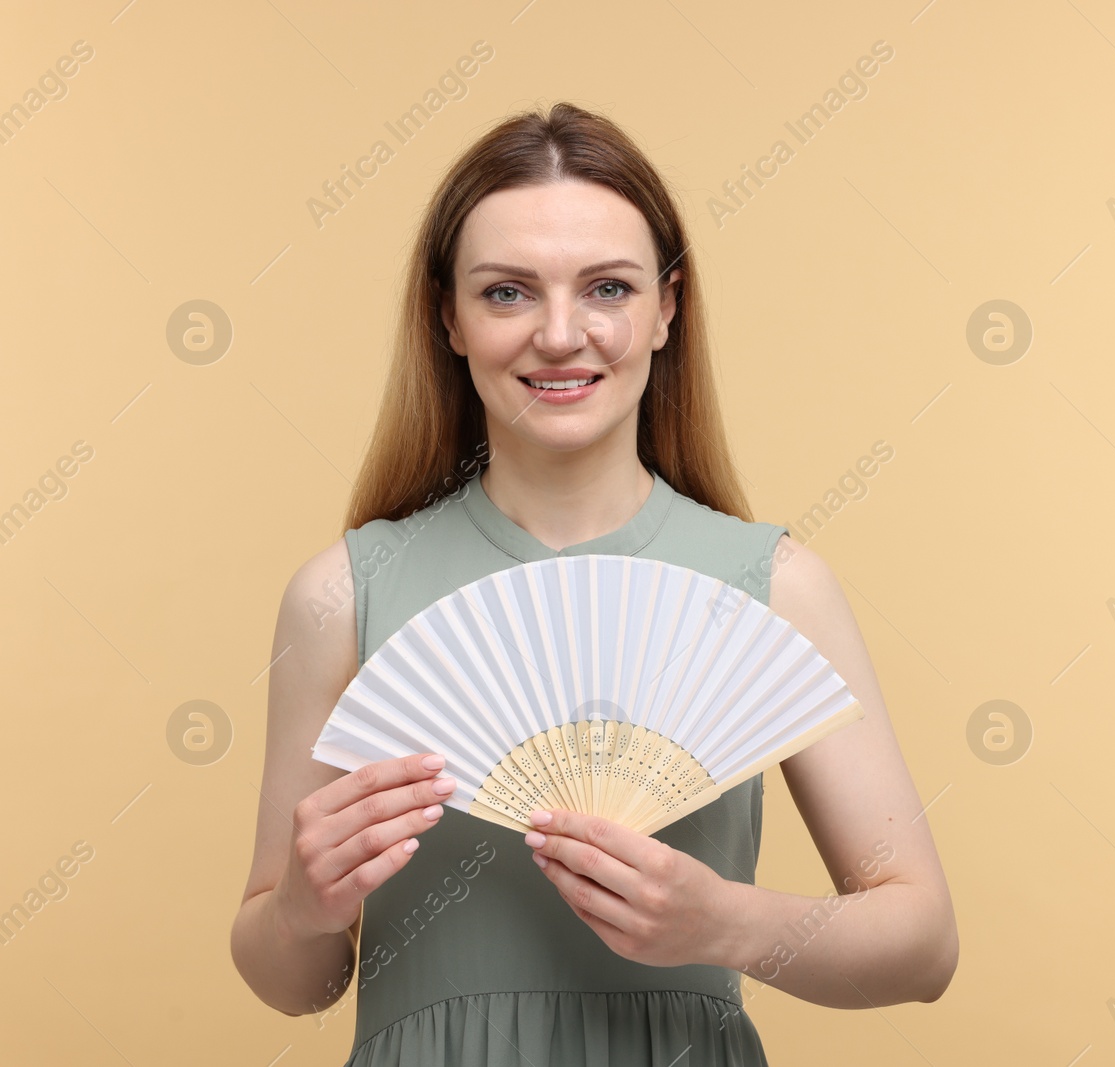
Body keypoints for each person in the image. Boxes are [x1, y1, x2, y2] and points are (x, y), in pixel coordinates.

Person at [229, 101, 958, 1065]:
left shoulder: (773, 585)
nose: (561, 334)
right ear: (447, 315)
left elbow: (922, 944)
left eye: (607, 287)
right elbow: (294, 983)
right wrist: (302, 910)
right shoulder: (344, 593)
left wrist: (726, 923)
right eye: (507, 293)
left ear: (668, 307)